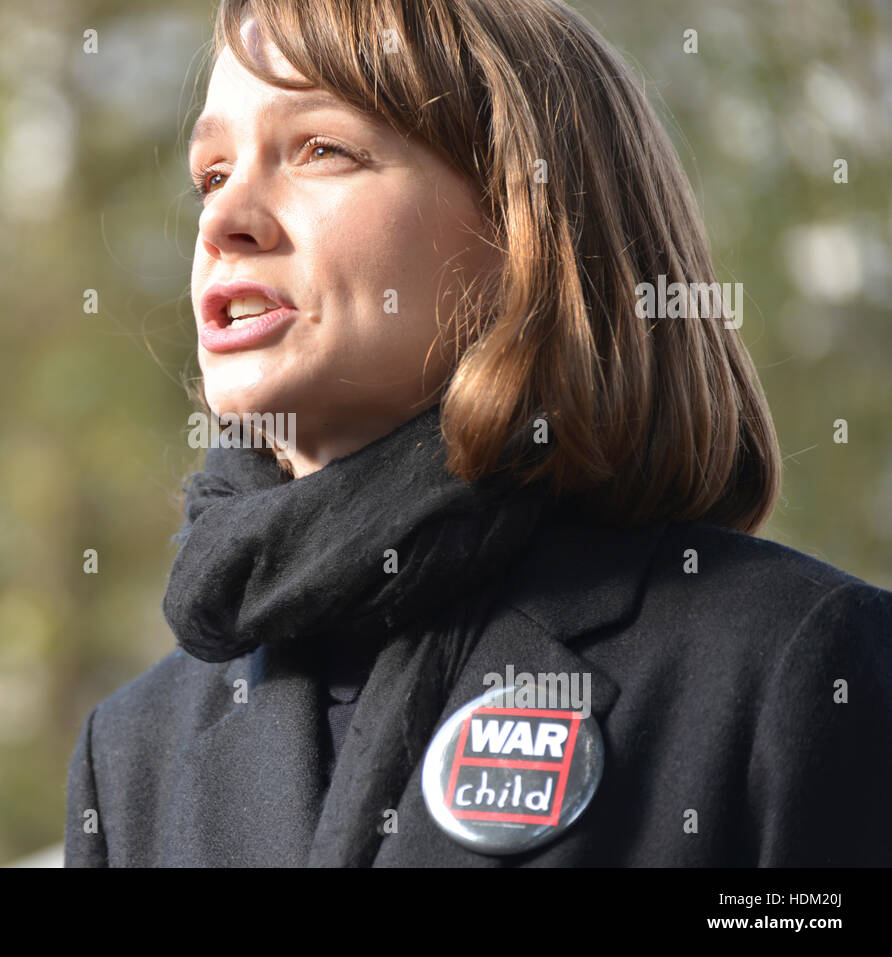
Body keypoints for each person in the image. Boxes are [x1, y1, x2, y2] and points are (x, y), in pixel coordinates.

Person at [64, 0, 892, 867]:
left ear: (528, 230)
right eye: (212, 173)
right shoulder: (129, 754)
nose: (224, 220)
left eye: (321, 149)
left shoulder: (792, 662)